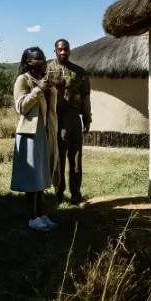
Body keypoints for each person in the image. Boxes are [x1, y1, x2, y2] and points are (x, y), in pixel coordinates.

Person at [12, 46, 60, 231]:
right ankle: (33, 217)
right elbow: (21, 107)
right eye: (37, 59)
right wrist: (37, 90)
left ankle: (41, 213)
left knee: (42, 173)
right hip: (30, 133)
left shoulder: (45, 80)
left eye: (43, 58)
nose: (42, 62)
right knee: (32, 176)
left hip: (46, 129)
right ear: (28, 62)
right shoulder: (23, 80)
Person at [46, 39, 91, 205]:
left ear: (70, 50)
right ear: (55, 51)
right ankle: (58, 192)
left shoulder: (79, 72)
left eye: (65, 49)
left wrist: (87, 116)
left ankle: (76, 194)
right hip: (57, 118)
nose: (63, 52)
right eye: (60, 49)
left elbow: (85, 96)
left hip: (74, 118)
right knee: (59, 158)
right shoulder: (48, 71)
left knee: (76, 157)